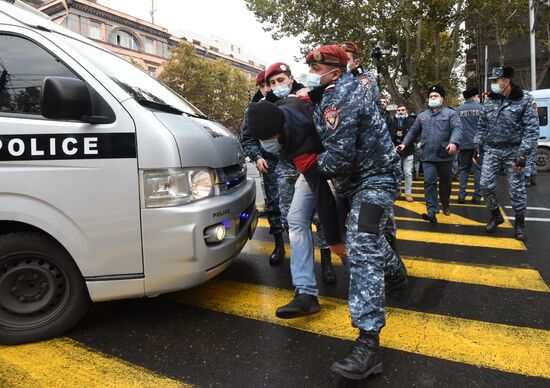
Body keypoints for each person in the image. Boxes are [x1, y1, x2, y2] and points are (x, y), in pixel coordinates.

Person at [305, 45, 406, 381]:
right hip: (355, 182)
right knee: (370, 239)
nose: (311, 74)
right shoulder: (332, 93)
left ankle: (367, 342)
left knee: (361, 243)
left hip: (375, 179)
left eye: (316, 68)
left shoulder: (340, 98)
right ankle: (394, 271)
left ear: (334, 70)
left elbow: (338, 158)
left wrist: (309, 163)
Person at [247, 97, 343, 317]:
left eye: (270, 138)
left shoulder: (301, 141)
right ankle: (306, 295)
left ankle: (386, 272)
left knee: (348, 229)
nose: (267, 143)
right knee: (296, 219)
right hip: (313, 163)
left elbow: (323, 196)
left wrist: (334, 241)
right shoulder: (282, 108)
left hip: (338, 162)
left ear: (280, 129)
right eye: (263, 139)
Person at [264, 62, 337, 283]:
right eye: (273, 82)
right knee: (292, 219)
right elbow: (252, 135)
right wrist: (259, 154)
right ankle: (304, 284)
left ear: (290, 78)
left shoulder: (307, 96)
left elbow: (324, 126)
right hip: (287, 169)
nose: (278, 85)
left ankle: (327, 259)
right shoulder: (266, 106)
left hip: (311, 164)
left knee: (320, 217)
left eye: (281, 80)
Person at [474, 66, 539, 241]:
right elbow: (482, 126)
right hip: (492, 150)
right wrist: (477, 146)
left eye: (496, 81)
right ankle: (496, 215)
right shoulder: (489, 100)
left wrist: (523, 154)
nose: (493, 84)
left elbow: (532, 130)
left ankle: (519, 224)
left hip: (514, 151)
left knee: (516, 190)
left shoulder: (525, 99)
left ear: (506, 81)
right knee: (485, 185)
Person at [397, 85, 462, 223]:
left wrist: (454, 143)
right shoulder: (422, 116)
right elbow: (413, 132)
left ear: (442, 98)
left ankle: (445, 204)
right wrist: (404, 143)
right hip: (427, 155)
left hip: (445, 155)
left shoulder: (451, 114)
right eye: (431, 96)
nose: (432, 98)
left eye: (435, 96)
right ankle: (431, 211)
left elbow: (457, 129)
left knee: (446, 184)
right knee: (429, 182)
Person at [240, 71, 285, 265]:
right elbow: (247, 138)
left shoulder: (287, 102)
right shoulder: (253, 110)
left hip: (293, 161)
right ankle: (279, 244)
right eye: (263, 86)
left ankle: (320, 252)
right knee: (274, 205)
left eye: (270, 84)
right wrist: (257, 157)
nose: (268, 89)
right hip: (269, 163)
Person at [455, 87, 482, 204]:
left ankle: (461, 195)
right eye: (477, 97)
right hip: (478, 145)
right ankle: (476, 196)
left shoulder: (458, 110)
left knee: (463, 170)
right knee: (478, 170)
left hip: (464, 144)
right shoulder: (481, 108)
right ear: (473, 97)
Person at [390, 104, 416, 202]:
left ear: (406, 110)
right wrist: (395, 133)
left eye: (403, 110)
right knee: (396, 172)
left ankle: (408, 193)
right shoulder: (392, 121)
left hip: (408, 150)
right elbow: (388, 134)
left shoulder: (411, 121)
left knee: (408, 173)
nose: (401, 112)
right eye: (399, 110)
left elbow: (414, 134)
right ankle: (397, 191)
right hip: (395, 150)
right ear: (396, 111)